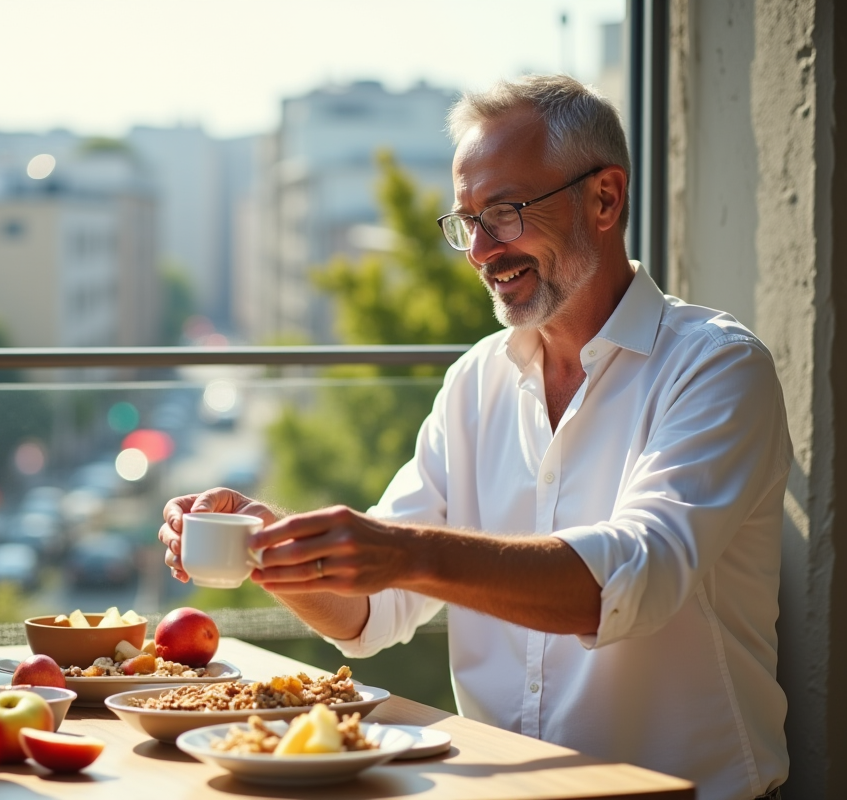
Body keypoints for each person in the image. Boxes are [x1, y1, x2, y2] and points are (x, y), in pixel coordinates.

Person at [159, 75, 789, 800]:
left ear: (605, 198)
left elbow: (629, 584)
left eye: (506, 212)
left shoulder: (717, 366)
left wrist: (405, 552)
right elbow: (371, 613)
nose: (480, 251)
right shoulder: (475, 381)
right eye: (467, 220)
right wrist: (277, 548)